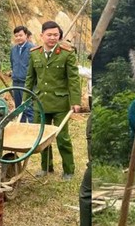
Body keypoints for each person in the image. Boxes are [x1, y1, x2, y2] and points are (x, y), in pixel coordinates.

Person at [25, 20, 82, 178]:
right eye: (49, 35)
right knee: (42, 137)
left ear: (59, 36)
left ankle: (69, 170)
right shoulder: (34, 53)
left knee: (62, 138)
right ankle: (46, 167)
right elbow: (30, 78)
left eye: (56, 35)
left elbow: (73, 79)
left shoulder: (67, 53)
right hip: (40, 102)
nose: (52, 38)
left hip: (60, 103)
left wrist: (76, 101)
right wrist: (25, 99)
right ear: (42, 35)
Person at [10, 25, 35, 123]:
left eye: (20, 35)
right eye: (16, 36)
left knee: (29, 107)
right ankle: (22, 129)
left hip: (27, 83)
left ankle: (33, 130)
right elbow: (12, 63)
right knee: (19, 108)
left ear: (26, 35)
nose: (18, 38)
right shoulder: (13, 50)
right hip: (16, 82)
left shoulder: (32, 49)